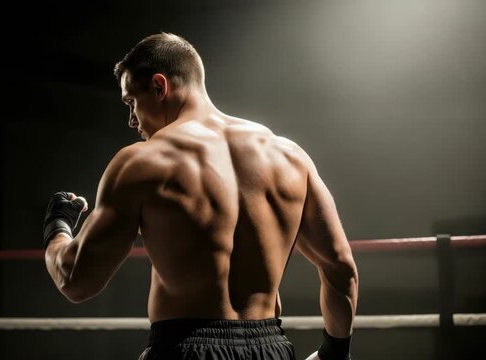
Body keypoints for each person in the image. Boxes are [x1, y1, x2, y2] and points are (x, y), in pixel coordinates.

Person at [42, 33, 358, 360]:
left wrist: (57, 226)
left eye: (131, 102)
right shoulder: (289, 156)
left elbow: (76, 280)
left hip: (185, 349)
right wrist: (334, 352)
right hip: (271, 348)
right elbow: (341, 268)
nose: (132, 120)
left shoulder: (143, 161)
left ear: (159, 86)